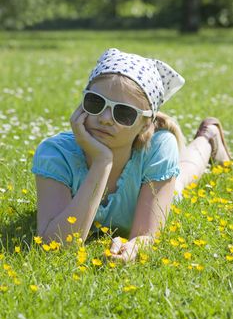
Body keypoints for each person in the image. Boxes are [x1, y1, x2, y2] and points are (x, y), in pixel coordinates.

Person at [31, 48, 231, 262]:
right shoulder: (55, 154)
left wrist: (134, 247)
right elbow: (54, 244)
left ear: (146, 123)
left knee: (183, 177)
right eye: (96, 103)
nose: (106, 118)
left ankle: (209, 138)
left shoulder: (158, 148)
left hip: (153, 173)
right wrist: (102, 162)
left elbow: (146, 235)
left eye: (124, 113)